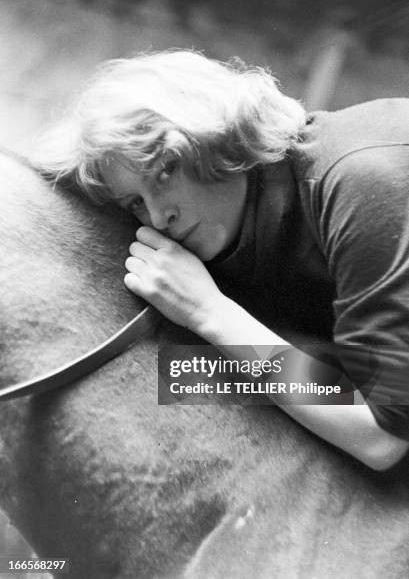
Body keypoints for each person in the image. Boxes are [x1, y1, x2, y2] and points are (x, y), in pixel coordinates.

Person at [33, 50, 409, 471]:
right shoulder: (228, 227)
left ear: (216, 137)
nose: (159, 216)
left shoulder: (359, 177)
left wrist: (209, 312)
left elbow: (382, 433)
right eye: (135, 202)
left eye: (165, 171)